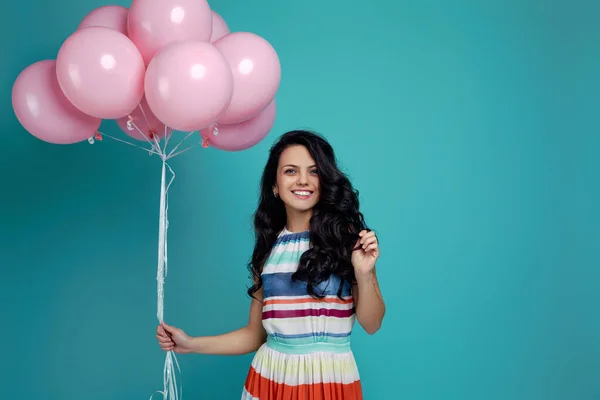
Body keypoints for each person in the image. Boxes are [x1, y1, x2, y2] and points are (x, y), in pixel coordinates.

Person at [156, 130, 386, 399]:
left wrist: (364, 271)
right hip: (271, 380)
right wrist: (192, 344)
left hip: (330, 382)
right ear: (274, 186)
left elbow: (372, 323)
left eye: (314, 171)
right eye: (290, 171)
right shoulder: (269, 252)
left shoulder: (348, 242)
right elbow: (255, 336)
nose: (303, 180)